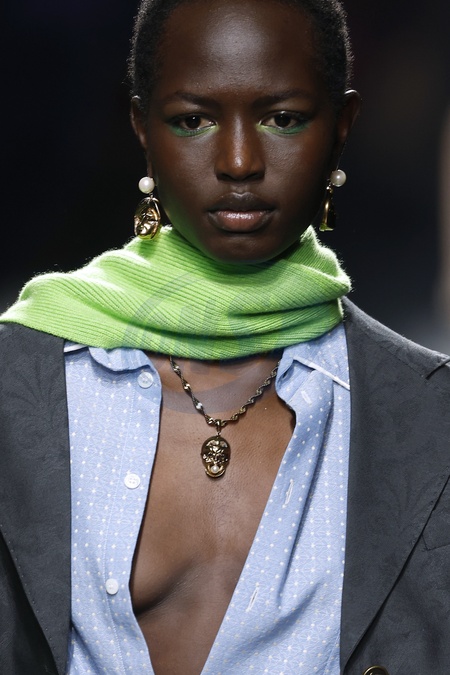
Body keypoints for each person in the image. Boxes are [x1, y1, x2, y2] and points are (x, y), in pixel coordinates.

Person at [1, 1, 450, 674]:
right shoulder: (21, 381)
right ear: (141, 128)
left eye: (283, 118)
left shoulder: (428, 415)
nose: (239, 161)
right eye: (194, 120)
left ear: (342, 127)